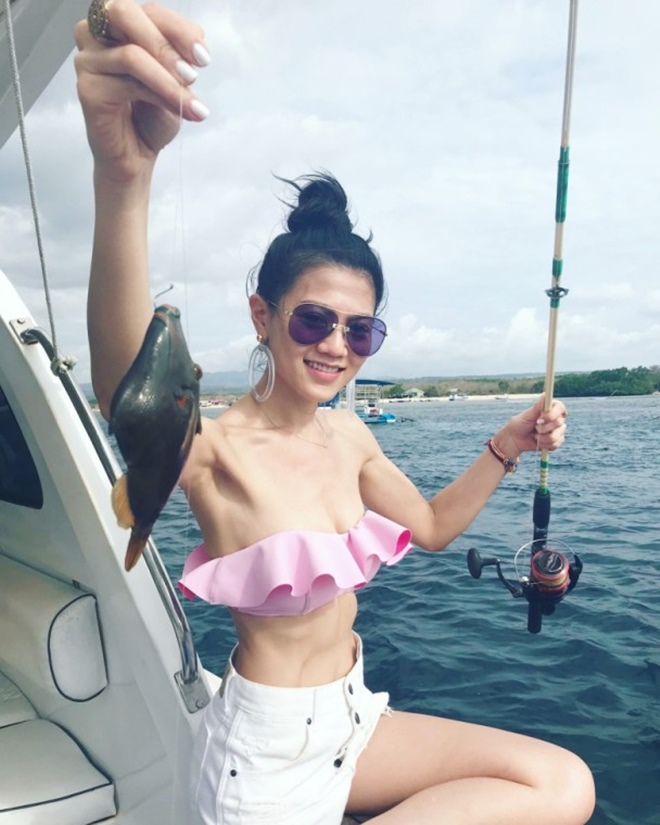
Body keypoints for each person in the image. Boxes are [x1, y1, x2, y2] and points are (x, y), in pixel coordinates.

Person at [75, 3, 596, 823]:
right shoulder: (212, 447)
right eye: (314, 319)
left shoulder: (349, 434)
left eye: (361, 330)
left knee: (561, 782)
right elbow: (126, 390)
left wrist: (506, 443)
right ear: (263, 316)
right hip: (263, 756)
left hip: (354, 716)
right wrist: (123, 176)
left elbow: (431, 527)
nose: (335, 345)